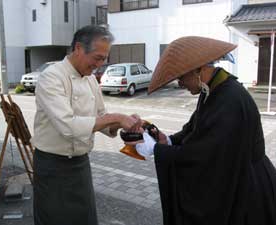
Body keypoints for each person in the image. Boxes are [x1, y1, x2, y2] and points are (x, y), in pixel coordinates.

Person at [125, 36, 276, 225]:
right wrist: (168, 140)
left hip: (247, 187)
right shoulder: (211, 89)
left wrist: (155, 150)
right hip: (234, 176)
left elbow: (206, 154)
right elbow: (194, 127)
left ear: (200, 69)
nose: (179, 83)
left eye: (181, 76)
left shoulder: (230, 99)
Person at [31, 25, 140, 225]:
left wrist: (122, 122)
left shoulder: (90, 80)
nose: (99, 65)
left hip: (80, 164)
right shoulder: (51, 77)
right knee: (53, 219)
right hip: (52, 164)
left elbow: (102, 120)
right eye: (98, 58)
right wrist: (115, 117)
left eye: (104, 59)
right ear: (79, 49)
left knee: (84, 218)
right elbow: (68, 126)